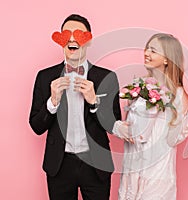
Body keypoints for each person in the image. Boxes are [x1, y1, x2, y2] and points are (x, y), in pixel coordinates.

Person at [29, 14, 121, 200]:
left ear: (88, 40)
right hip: (60, 166)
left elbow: (114, 126)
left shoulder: (107, 78)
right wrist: (52, 102)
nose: (72, 39)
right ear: (60, 40)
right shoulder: (45, 77)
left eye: (78, 34)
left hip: (96, 166)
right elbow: (36, 127)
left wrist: (94, 101)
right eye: (66, 34)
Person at [113, 33, 188, 200]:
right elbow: (131, 126)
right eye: (146, 49)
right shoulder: (138, 87)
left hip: (157, 172)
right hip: (132, 170)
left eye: (153, 50)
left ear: (167, 59)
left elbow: (174, 136)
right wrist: (120, 128)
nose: (146, 53)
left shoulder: (179, 94)